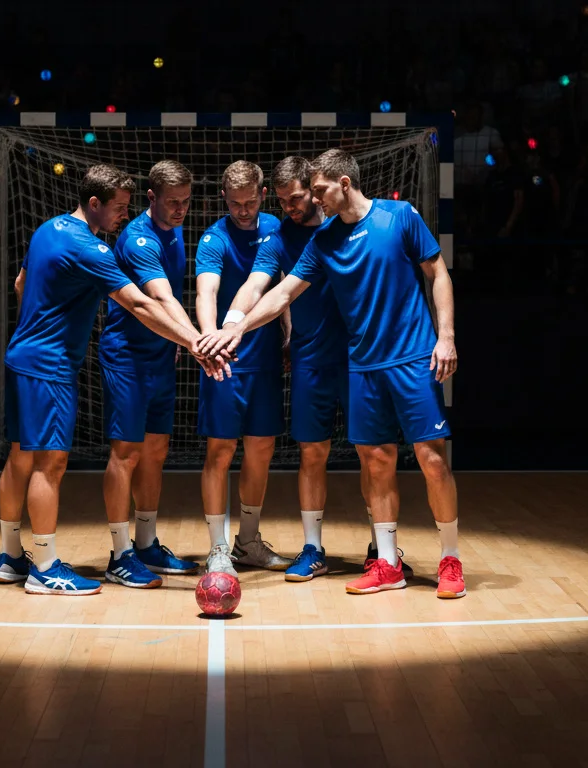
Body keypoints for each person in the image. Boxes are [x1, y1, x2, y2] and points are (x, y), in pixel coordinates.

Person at [197, 149, 465, 599]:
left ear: (340, 183)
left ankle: (446, 558)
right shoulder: (315, 242)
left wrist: (447, 335)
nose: (306, 202)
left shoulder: (397, 217)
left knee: (431, 460)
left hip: (404, 357)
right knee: (370, 460)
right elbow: (277, 292)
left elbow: (437, 271)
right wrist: (234, 327)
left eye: (312, 192)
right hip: (351, 364)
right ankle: (380, 559)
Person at [0, 164, 227, 596]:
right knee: (50, 463)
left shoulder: (49, 229)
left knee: (21, 457)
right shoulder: (91, 249)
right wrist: (197, 344)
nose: (125, 214)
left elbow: (21, 282)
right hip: (49, 366)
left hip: (23, 355)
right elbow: (139, 304)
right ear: (94, 203)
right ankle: (44, 567)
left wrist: (37, 325)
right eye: (118, 207)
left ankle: (10, 556)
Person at [98, 160, 201, 587]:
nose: (180, 210)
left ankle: (146, 543)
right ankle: (120, 553)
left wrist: (176, 344)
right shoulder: (137, 238)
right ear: (151, 198)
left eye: (186, 202)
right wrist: (195, 341)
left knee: (157, 449)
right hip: (127, 358)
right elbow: (160, 300)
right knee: (126, 454)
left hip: (161, 357)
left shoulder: (174, 230)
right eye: (172, 202)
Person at [195, 160, 290, 577]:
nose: (243, 210)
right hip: (225, 360)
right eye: (235, 204)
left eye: (250, 202)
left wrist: (288, 334)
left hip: (266, 358)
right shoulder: (213, 239)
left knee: (261, 449)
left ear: (263, 195)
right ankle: (218, 548)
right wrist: (208, 339)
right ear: (224, 199)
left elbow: (283, 285)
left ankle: (248, 542)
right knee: (221, 451)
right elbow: (207, 291)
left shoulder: (277, 227)